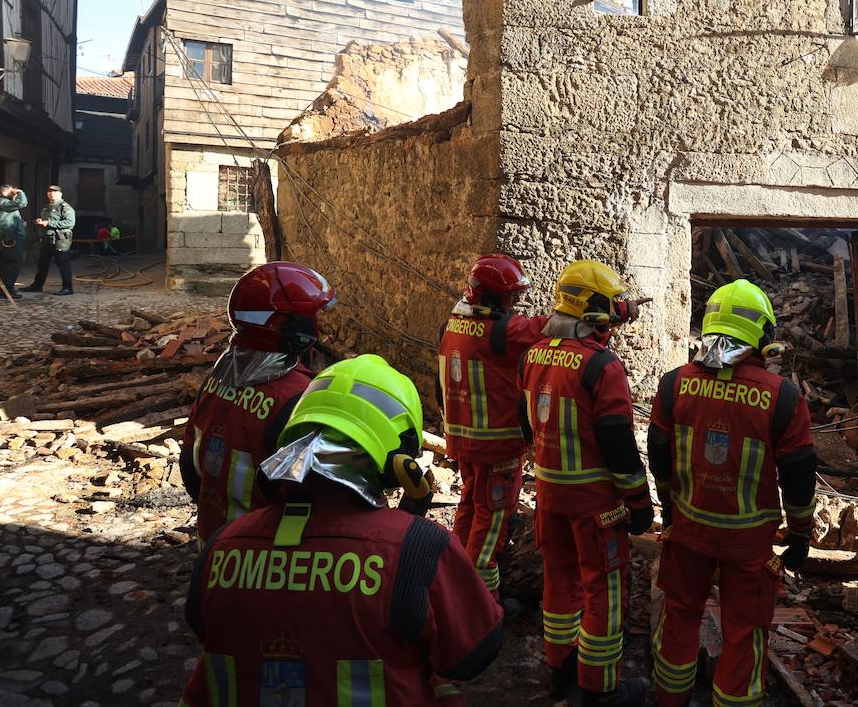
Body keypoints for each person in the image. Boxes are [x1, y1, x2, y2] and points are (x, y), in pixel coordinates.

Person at [179, 353, 504, 706]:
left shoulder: (221, 546)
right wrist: (411, 528)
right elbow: (472, 654)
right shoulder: (417, 548)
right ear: (398, 459)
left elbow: (204, 628)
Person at [648, 279, 817, 707]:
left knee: (680, 617)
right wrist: (799, 534)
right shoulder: (781, 397)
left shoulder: (674, 384)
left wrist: (669, 510)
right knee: (744, 631)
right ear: (763, 335)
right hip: (749, 541)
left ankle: (670, 700)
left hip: (688, 530)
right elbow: (799, 476)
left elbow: (659, 457)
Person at [518, 259, 653, 707]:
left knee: (559, 584)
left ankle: (561, 672)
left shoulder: (534, 353)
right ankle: (600, 689)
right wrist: (638, 501)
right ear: (591, 308)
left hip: (549, 494)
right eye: (613, 306)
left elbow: (525, 424)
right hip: (596, 503)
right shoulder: (601, 366)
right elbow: (617, 441)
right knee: (604, 590)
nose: (619, 314)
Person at [180, 262, 336, 542]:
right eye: (314, 317)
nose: (320, 326)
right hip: (263, 559)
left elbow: (190, 469)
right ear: (283, 324)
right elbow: (313, 499)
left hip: (212, 547)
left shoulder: (216, 379)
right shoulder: (296, 398)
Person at [438, 254, 546, 606]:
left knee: (469, 511)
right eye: (509, 297)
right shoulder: (501, 331)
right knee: (492, 524)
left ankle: (453, 586)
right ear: (488, 297)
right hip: (497, 449)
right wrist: (615, 310)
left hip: (463, 443)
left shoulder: (452, 325)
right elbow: (553, 327)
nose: (514, 304)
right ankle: (480, 608)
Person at [25, 185, 76, 295]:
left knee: (63, 263)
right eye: (49, 191)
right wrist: (40, 222)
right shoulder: (46, 207)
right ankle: (37, 286)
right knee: (42, 263)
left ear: (60, 194)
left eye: (54, 191)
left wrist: (49, 223)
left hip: (60, 239)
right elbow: (45, 221)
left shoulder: (65, 207)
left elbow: (70, 223)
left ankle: (67, 288)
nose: (51, 193)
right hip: (46, 238)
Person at [0, 185, 27, 300]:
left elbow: (9, 219)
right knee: (13, 265)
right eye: (13, 192)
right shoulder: (3, 202)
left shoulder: (4, 205)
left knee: (7, 266)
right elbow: (22, 203)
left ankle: (4, 290)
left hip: (10, 238)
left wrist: (21, 224)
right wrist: (19, 191)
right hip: (10, 239)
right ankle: (7, 290)